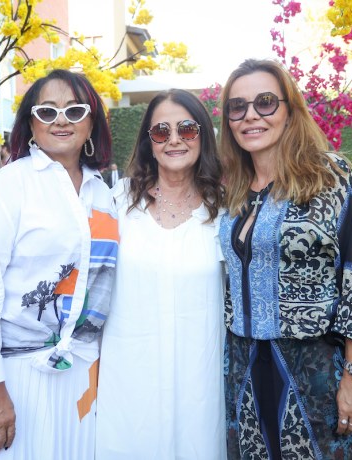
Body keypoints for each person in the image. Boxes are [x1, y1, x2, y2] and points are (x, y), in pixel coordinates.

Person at [0, 69, 118, 459]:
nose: (61, 120)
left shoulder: (103, 193)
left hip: (81, 370)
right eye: (47, 111)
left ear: (92, 122)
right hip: (13, 375)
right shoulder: (8, 188)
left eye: (75, 111)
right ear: (30, 123)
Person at [218, 59, 352, 459]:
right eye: (237, 107)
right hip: (244, 365)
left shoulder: (329, 175)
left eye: (266, 102)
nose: (251, 115)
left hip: (313, 365)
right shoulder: (232, 189)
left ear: (290, 110)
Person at [96, 89, 226, 459]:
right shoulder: (116, 203)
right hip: (128, 382)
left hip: (199, 383)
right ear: (147, 142)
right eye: (161, 131)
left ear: (203, 135)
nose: (173, 139)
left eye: (186, 129)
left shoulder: (226, 209)